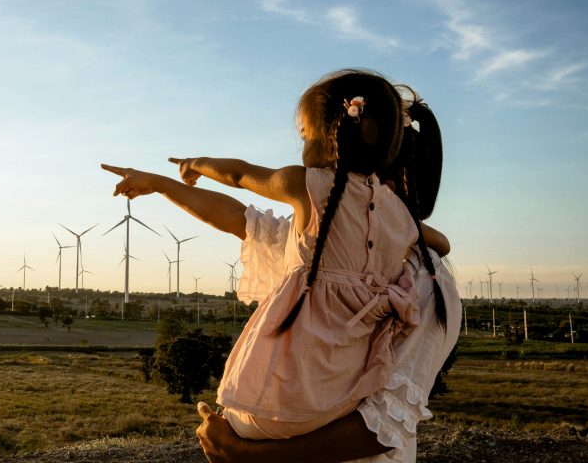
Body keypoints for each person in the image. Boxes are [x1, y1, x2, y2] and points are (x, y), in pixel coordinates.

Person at [103, 69, 451, 441]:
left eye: (304, 134)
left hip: (276, 403)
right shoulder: (401, 220)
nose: (301, 145)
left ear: (330, 137)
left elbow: (238, 174)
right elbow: (441, 243)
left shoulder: (307, 186)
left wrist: (195, 164)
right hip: (337, 401)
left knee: (231, 421)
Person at [194, 86, 460, 463]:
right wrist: (162, 184)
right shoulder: (328, 241)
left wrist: (244, 452)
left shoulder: (429, 284)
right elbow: (245, 221)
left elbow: (382, 427)